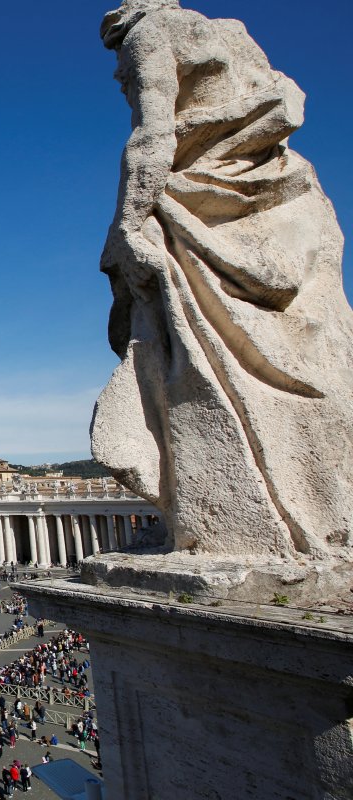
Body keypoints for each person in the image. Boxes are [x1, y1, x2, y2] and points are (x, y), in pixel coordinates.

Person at [94, 0, 353, 556]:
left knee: (195, 366)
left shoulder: (148, 34)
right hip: (277, 198)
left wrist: (128, 225)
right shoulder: (233, 35)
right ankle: (325, 504)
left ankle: (229, 520)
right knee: (307, 361)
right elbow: (285, 96)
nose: (121, 79)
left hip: (195, 207)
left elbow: (152, 137)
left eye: (120, 73)